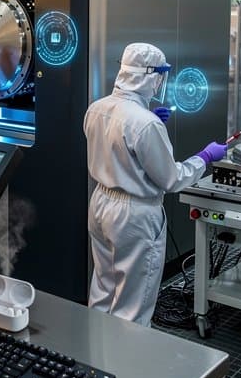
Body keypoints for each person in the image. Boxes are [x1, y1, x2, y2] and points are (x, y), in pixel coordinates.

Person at [83, 43, 228, 326]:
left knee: (103, 288)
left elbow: (117, 144)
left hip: (100, 204)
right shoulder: (146, 124)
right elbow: (171, 179)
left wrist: (148, 120)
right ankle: (128, 369)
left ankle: (95, 362)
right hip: (134, 215)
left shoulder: (97, 109)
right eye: (161, 76)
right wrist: (205, 157)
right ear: (151, 76)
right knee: (133, 304)